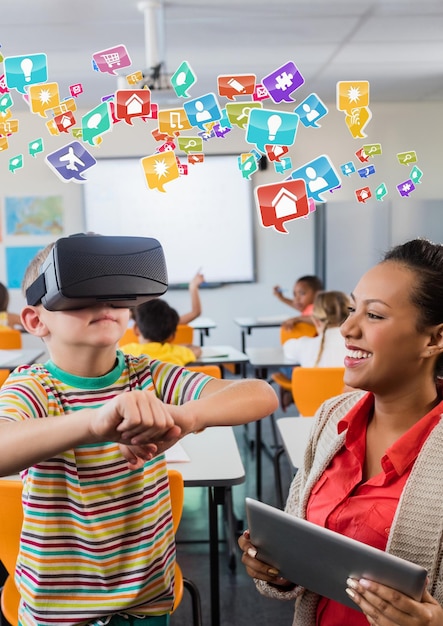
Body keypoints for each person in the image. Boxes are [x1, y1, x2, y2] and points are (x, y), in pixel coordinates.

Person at [0, 239, 278, 626]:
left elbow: (259, 394)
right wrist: (93, 422)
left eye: (116, 293)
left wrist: (184, 417)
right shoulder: (31, 388)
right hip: (60, 608)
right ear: (35, 320)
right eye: (82, 291)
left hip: (147, 597)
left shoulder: (147, 375)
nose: (105, 302)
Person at [240, 238, 443, 625]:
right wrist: (275, 566)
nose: (347, 328)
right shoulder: (331, 417)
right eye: (352, 309)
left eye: (375, 316)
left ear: (434, 339)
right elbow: (302, 551)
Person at [121, 298, 202, 366]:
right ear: (172, 337)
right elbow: (197, 350)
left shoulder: (126, 352)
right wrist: (176, 347)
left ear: (136, 329)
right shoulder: (177, 352)